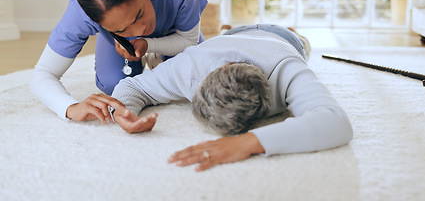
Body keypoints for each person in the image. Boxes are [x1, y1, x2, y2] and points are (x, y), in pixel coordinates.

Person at [106, 24, 354, 171]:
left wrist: (246, 143)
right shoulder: (191, 65)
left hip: (284, 39)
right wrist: (123, 113)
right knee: (226, 32)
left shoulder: (285, 66)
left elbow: (335, 122)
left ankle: (293, 31)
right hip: (233, 36)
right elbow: (133, 87)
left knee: (304, 44)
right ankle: (227, 28)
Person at [30, 0, 207, 123]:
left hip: (179, 35)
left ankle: (225, 32)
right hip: (122, 48)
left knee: (197, 76)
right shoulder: (82, 11)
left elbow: (188, 40)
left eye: (139, 14)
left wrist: (148, 44)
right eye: (121, 30)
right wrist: (70, 107)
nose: (139, 30)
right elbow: (43, 73)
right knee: (113, 84)